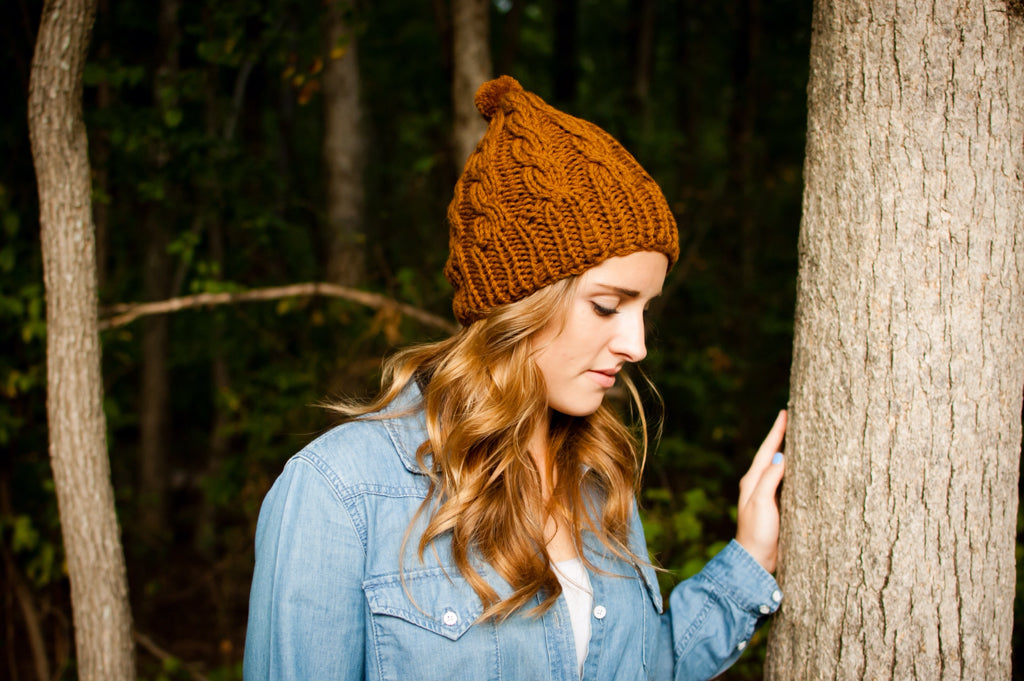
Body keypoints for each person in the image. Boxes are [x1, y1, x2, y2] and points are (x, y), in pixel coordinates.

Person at [243, 75, 787, 681]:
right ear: (518, 302)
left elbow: (642, 667)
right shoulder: (338, 493)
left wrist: (749, 559)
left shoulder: (597, 479)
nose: (635, 344)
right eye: (608, 306)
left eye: (645, 310)